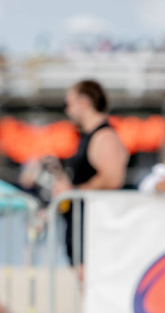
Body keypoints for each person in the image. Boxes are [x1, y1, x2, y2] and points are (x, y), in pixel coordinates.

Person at [50, 80, 129, 262]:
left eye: (69, 104)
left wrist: (74, 192)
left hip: (96, 234)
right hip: (84, 233)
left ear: (83, 103)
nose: (67, 110)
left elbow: (113, 179)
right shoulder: (89, 136)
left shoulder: (105, 137)